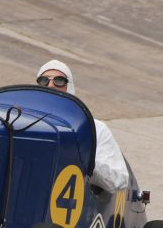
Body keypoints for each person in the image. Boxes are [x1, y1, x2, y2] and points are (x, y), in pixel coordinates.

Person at [36, 60, 129, 193]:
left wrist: (84, 159)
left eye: (59, 80)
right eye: (44, 80)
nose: (50, 85)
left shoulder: (95, 129)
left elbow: (119, 180)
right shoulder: (22, 125)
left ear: (69, 87)